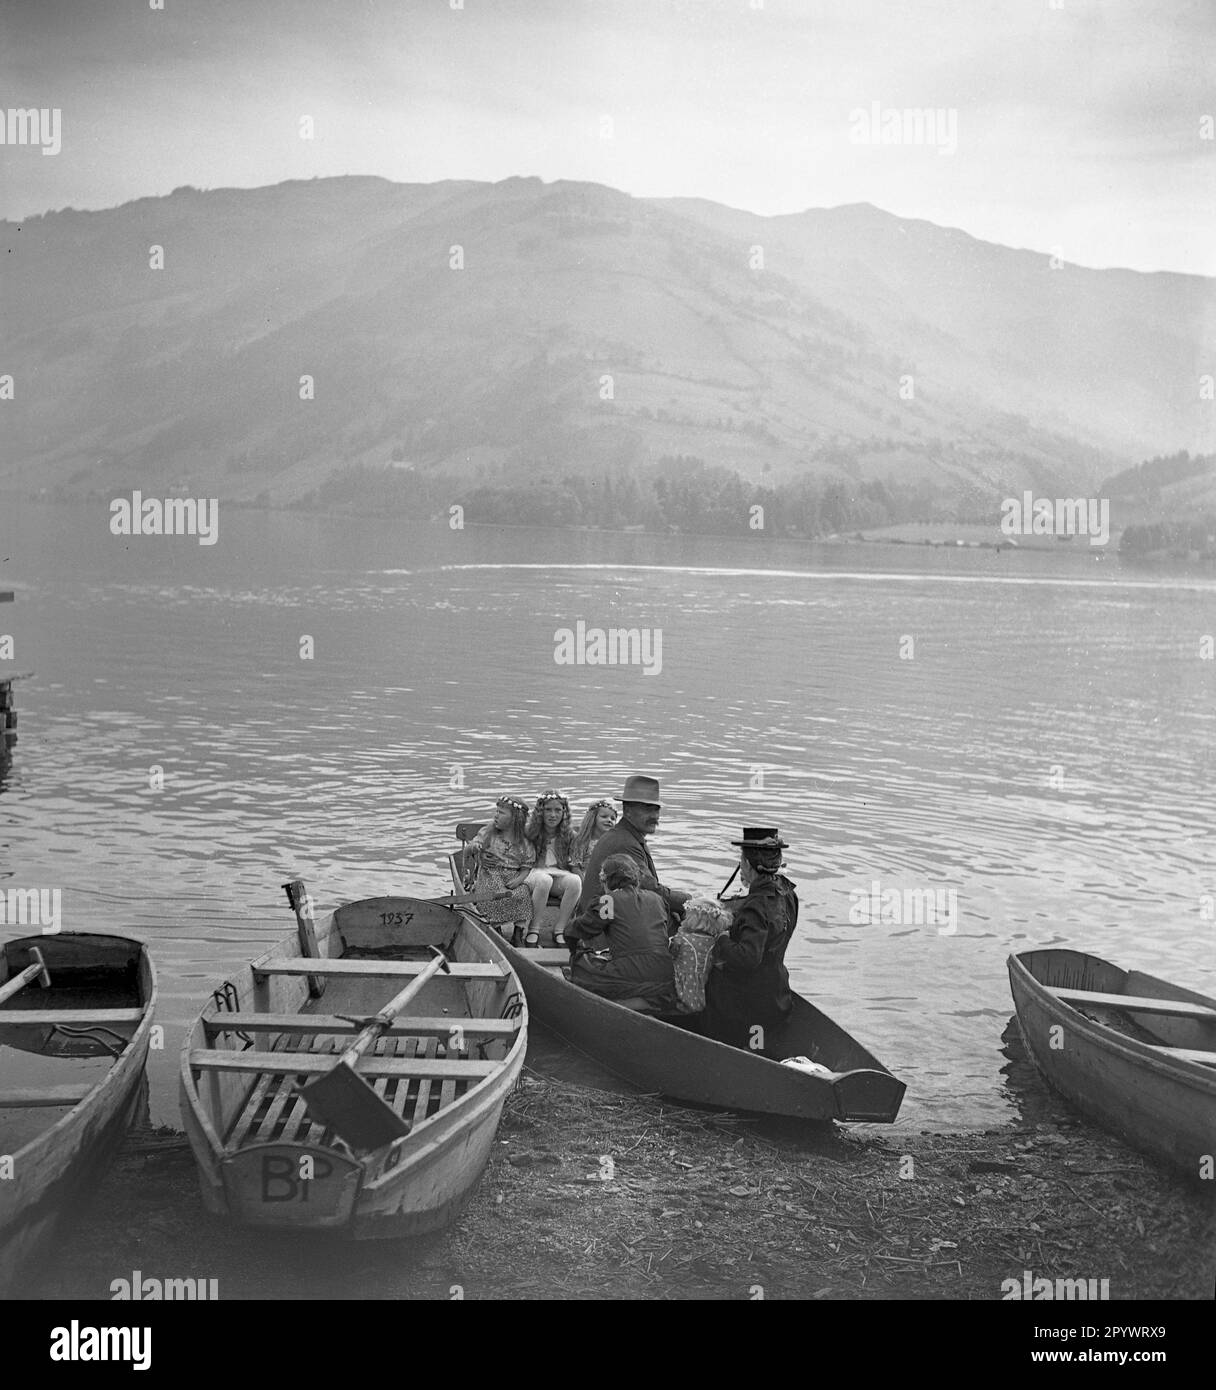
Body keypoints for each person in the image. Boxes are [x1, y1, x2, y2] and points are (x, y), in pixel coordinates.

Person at [702, 828, 798, 1054]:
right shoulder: (788, 892)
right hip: (778, 993)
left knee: (710, 984)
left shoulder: (756, 905)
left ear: (746, 863)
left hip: (748, 1003)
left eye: (741, 860)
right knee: (760, 1046)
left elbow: (746, 958)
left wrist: (721, 938)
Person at [573, 774, 690, 926]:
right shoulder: (624, 842)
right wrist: (690, 901)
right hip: (604, 932)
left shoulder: (626, 835)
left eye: (656, 810)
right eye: (647, 810)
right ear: (627, 810)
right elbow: (651, 889)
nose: (655, 816)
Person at [567, 854, 678, 1009]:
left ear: (606, 880)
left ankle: (621, 1002)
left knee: (582, 969)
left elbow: (576, 931)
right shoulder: (657, 898)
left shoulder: (609, 900)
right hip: (664, 973)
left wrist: (576, 954)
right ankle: (646, 1002)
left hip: (629, 971)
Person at [468, 796, 536, 944]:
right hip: (490, 874)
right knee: (492, 893)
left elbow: (527, 866)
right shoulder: (489, 832)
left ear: (515, 819)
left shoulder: (524, 841)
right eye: (496, 811)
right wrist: (476, 848)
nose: (496, 815)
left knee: (522, 894)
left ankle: (518, 932)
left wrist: (519, 880)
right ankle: (495, 926)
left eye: (501, 812)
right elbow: (473, 845)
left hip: (512, 876)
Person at [523, 790, 582, 947]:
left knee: (575, 881)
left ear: (564, 813)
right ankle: (533, 929)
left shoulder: (569, 835)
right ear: (541, 812)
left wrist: (584, 881)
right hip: (532, 875)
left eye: (558, 810)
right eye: (548, 810)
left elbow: (575, 863)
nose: (553, 815)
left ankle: (560, 929)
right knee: (544, 879)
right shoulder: (530, 832)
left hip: (558, 875)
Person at [569, 798, 617, 874]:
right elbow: (575, 867)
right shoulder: (582, 841)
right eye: (604, 817)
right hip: (586, 877)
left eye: (613, 819)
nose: (609, 820)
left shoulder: (614, 843)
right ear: (592, 818)